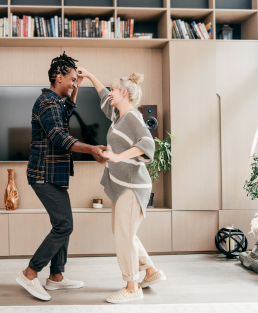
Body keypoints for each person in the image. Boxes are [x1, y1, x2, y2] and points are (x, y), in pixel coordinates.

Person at [17, 52, 109, 301]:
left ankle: (56, 277)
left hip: (52, 175)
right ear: (58, 76)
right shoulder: (47, 102)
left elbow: (64, 115)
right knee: (64, 225)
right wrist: (90, 149)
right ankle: (30, 272)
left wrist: (75, 90)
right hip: (43, 174)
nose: (73, 83)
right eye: (71, 78)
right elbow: (58, 135)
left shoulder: (55, 102)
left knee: (63, 224)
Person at [77, 68, 166, 304]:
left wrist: (117, 157)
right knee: (123, 232)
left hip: (133, 184)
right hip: (123, 184)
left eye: (114, 90)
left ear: (124, 93)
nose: (110, 94)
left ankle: (131, 286)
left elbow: (147, 144)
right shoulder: (119, 116)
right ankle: (150, 270)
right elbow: (103, 94)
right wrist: (89, 75)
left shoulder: (133, 118)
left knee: (124, 236)